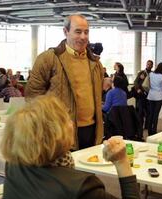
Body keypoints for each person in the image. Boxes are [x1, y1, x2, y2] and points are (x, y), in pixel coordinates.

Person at [1, 95, 142, 199]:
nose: (71, 123)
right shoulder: (80, 187)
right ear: (54, 134)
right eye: (66, 119)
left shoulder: (13, 165)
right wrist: (121, 161)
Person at [26, 14, 104, 149]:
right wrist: (46, 127)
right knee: (64, 170)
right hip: (59, 131)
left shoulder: (95, 63)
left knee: (88, 170)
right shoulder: (48, 59)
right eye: (78, 32)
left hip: (91, 131)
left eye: (86, 32)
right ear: (65, 32)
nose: (83, 37)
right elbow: (33, 97)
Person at [147, 62, 162, 135]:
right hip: (159, 96)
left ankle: (149, 130)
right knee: (156, 114)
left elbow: (149, 84)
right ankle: (154, 130)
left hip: (151, 95)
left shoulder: (151, 74)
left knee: (151, 113)